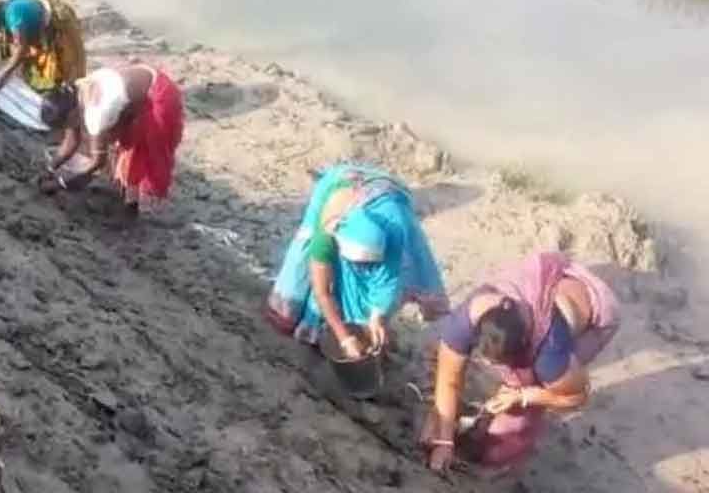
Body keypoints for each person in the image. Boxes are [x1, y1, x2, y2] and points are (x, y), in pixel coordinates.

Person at [420, 250, 620, 474]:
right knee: (444, 409)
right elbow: (449, 377)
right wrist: (444, 439)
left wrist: (524, 396)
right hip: (555, 278)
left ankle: (505, 467)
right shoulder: (473, 312)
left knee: (501, 447)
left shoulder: (549, 356)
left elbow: (578, 396)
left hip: (597, 310)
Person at [263, 163, 450, 358]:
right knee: (287, 305)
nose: (363, 269)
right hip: (340, 184)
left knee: (405, 269)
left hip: (388, 195)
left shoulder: (393, 235)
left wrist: (377, 317)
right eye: (358, 264)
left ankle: (359, 324)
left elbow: (387, 281)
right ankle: (320, 326)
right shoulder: (327, 235)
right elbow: (322, 292)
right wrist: (345, 338)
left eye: (369, 265)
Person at [39, 64, 184, 218]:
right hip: (136, 94)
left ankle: (144, 208)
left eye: (65, 125)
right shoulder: (76, 94)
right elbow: (71, 141)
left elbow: (97, 163)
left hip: (158, 95)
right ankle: (130, 203)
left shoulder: (95, 114)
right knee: (124, 149)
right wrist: (50, 168)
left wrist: (62, 183)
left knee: (149, 152)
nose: (67, 129)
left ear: (72, 115)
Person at [0, 0, 87, 96]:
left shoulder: (14, 14)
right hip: (29, 30)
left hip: (54, 23)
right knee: (35, 78)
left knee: (69, 75)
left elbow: (21, 49)